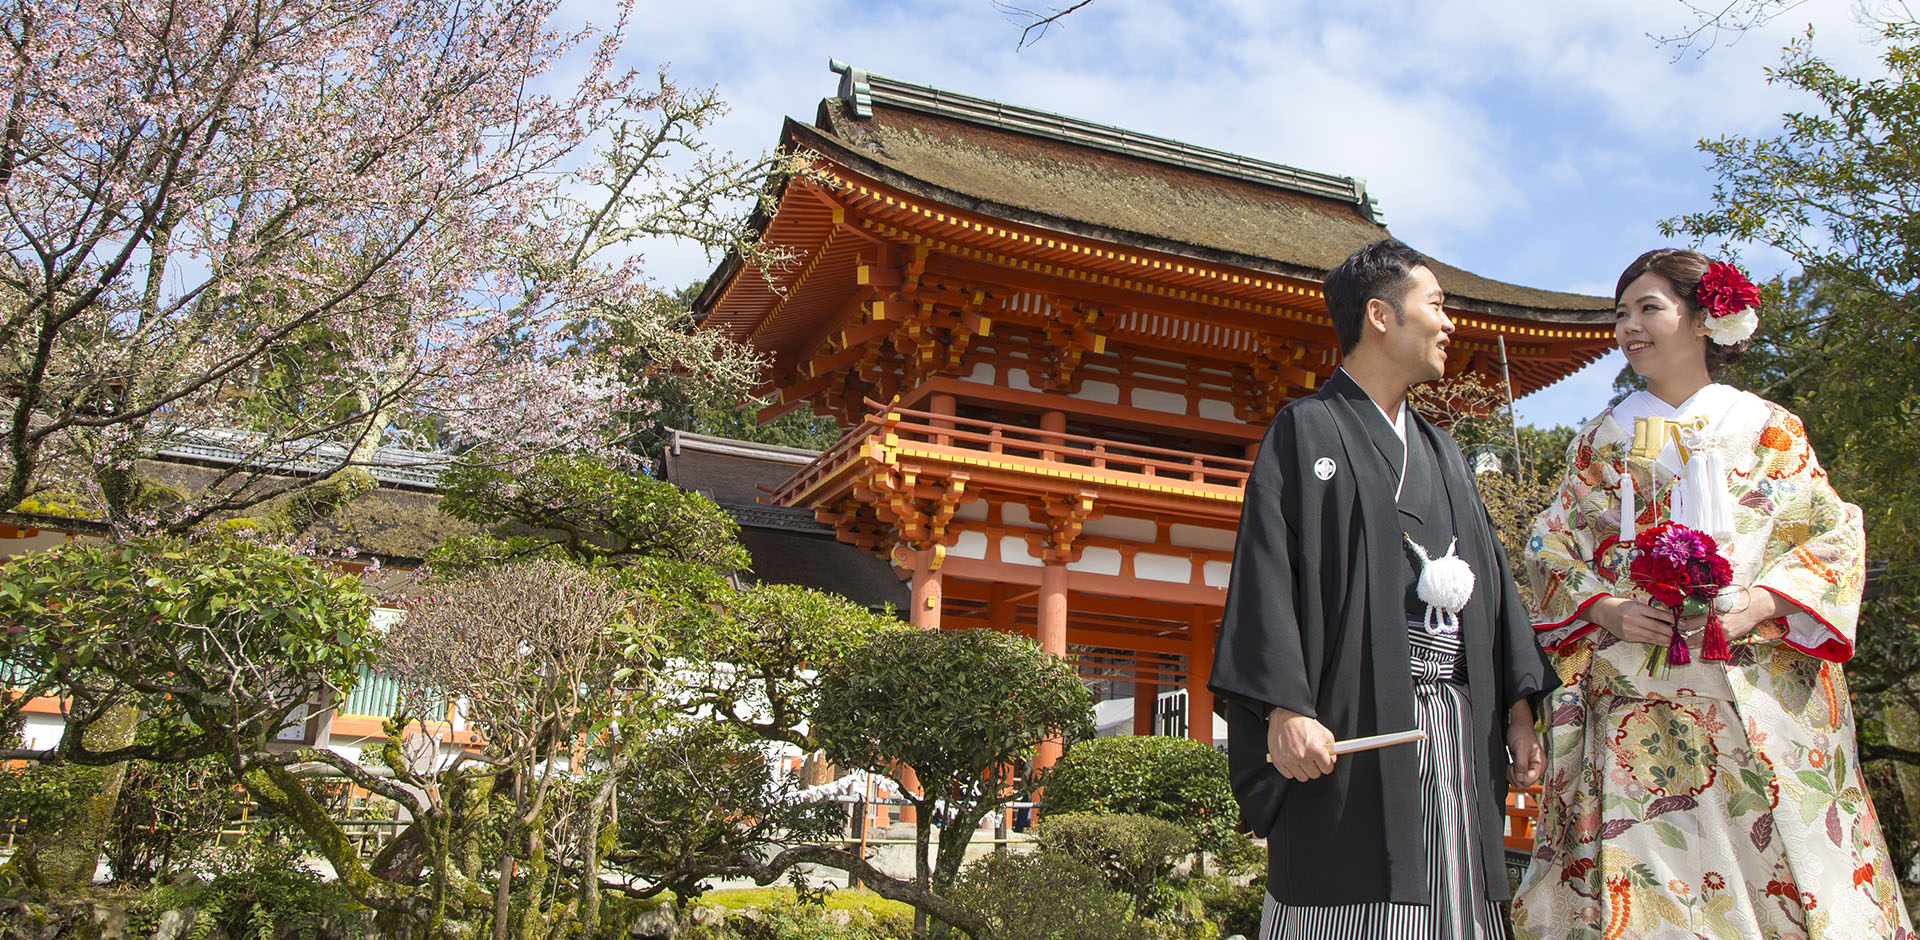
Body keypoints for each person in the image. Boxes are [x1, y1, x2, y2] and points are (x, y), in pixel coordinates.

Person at [1510, 249, 1914, 940]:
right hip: (1638, 693)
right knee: (1645, 870)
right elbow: (1550, 543)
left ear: (1703, 318)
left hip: (1753, 683)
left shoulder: (1768, 427)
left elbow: (1832, 532)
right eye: (1620, 313)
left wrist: (1761, 601)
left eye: (1648, 308)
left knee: (1780, 861)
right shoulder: (1599, 442)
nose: (1629, 327)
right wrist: (1606, 607)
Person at [1211, 238, 1553, 940]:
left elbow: (1492, 583)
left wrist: (1518, 711)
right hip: (1352, 718)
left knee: (1458, 896)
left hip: (1458, 726)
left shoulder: (1444, 451)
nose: (1450, 323)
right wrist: (1283, 707)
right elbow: (1267, 572)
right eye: (1436, 304)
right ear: (1380, 316)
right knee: (1354, 893)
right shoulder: (1306, 430)